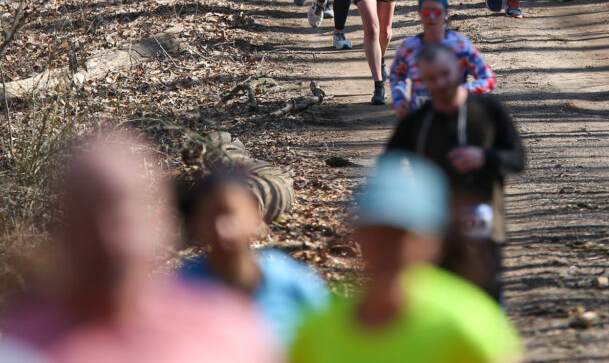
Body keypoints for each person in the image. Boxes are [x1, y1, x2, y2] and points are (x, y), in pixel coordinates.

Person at [2, 130, 273, 363]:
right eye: (87, 219)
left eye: (125, 216)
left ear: (164, 224)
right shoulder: (18, 350)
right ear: (62, 233)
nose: (108, 239)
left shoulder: (230, 334)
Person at [290, 152, 522, 363]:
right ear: (357, 238)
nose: (388, 249)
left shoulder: (470, 323)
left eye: (402, 235)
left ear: (434, 242)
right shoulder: (317, 327)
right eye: (376, 234)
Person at [387, 44, 525, 300]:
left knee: (486, 307)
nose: (439, 83)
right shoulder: (417, 122)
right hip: (435, 235)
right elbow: (387, 170)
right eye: (431, 79)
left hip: (484, 232)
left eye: (444, 75)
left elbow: (518, 158)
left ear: (458, 70)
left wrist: (484, 157)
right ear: (422, 81)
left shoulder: (488, 111)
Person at [178, 165, 328, 348]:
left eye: (229, 213)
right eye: (209, 217)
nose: (222, 230)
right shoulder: (180, 291)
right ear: (194, 225)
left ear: (256, 216)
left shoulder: (294, 285)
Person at [389, 0, 496, 118]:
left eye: (437, 12)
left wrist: (464, 91)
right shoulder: (408, 48)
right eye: (426, 12)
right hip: (421, 118)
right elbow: (396, 75)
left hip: (456, 115)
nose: (431, 17)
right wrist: (399, 100)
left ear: (446, 14)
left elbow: (488, 78)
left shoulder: (460, 45)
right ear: (419, 14)